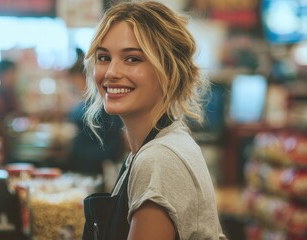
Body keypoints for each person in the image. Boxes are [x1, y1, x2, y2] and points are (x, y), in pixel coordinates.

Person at [81, 1, 227, 239]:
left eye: (132, 59)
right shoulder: (158, 144)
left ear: (168, 71)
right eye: (104, 57)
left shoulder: (159, 159)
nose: (111, 72)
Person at [66, 48, 125, 176]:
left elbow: (113, 142)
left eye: (75, 80)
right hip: (88, 162)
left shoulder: (104, 102)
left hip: (95, 165)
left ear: (85, 76)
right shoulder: (91, 101)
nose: (74, 85)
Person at [0, 59, 23, 164]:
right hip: (2, 150)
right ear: (2, 74)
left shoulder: (11, 95)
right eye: (12, 74)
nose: (14, 78)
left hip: (13, 147)